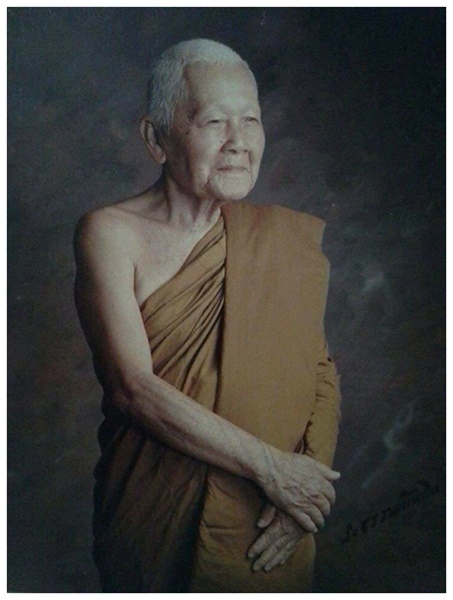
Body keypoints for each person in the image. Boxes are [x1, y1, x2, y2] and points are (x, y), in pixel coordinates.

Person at [73, 38, 341, 593]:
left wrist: (305, 493)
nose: (238, 142)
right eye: (215, 121)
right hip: (157, 515)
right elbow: (131, 388)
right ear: (156, 139)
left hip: (268, 523)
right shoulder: (112, 233)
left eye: (251, 120)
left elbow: (320, 371)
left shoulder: (280, 240)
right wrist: (272, 468)